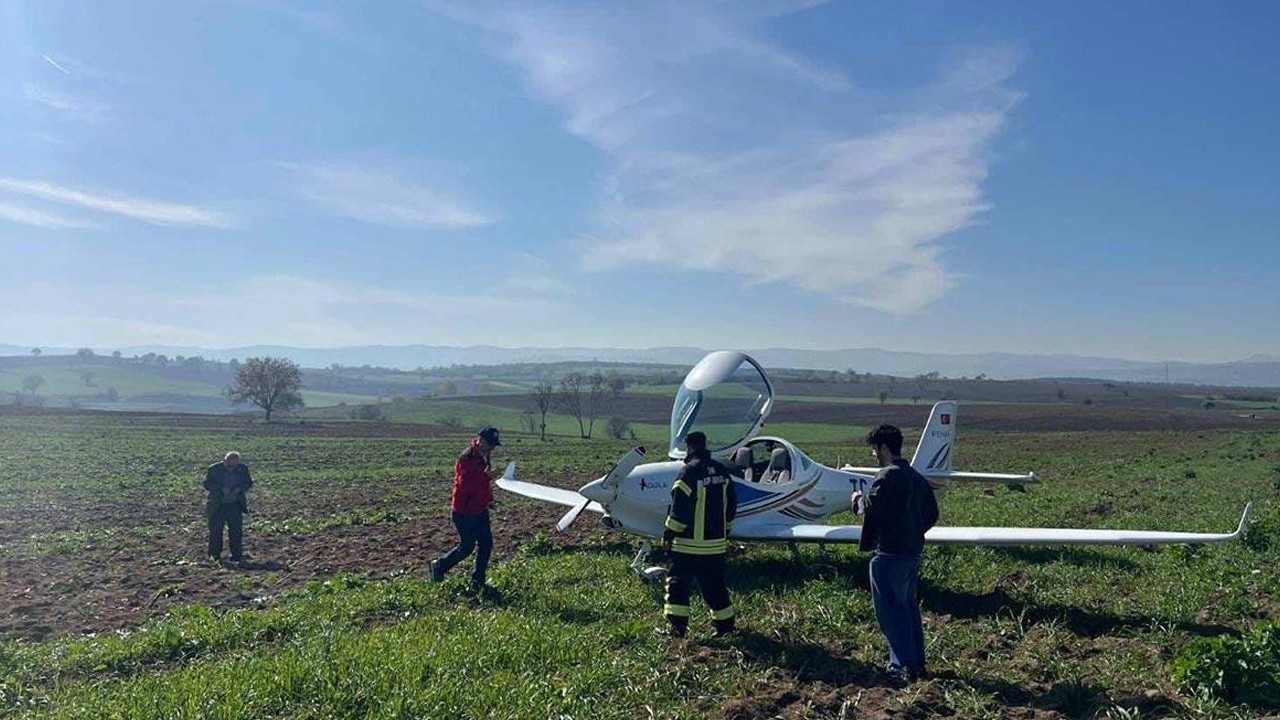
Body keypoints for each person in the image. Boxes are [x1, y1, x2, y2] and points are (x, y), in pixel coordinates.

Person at [851, 424, 939, 683]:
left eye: (874, 450)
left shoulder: (887, 476)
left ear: (883, 448)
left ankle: (900, 669)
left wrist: (857, 499)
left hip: (888, 555)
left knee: (891, 613)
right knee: (908, 609)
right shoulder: (916, 478)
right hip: (911, 554)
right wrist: (912, 532)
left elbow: (872, 505)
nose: (874, 455)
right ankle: (916, 664)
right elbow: (932, 514)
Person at [660, 431, 738, 638]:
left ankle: (677, 628)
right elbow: (732, 504)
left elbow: (679, 510)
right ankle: (726, 627)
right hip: (715, 546)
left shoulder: (689, 472)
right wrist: (725, 530)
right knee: (715, 587)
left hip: (688, 545)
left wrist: (669, 533)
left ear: (690, 447)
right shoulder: (722, 471)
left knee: (677, 585)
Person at [431, 425, 501, 590]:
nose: (492, 448)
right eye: (490, 444)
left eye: (494, 445)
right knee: (467, 546)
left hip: (480, 508)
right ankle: (439, 566)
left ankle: (478, 581)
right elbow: (465, 485)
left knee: (486, 544)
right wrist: (486, 477)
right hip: (464, 510)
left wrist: (488, 500)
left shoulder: (485, 455)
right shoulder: (466, 458)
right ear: (480, 440)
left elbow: (483, 485)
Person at [204, 451, 253, 564]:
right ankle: (214, 556)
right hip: (218, 506)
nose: (232, 467)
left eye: (234, 464)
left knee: (236, 532)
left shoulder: (242, 469)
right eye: (230, 464)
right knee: (215, 532)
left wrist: (239, 489)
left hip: (235, 505)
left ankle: (236, 556)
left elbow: (248, 483)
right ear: (225, 460)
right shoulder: (214, 469)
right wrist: (221, 489)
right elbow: (207, 484)